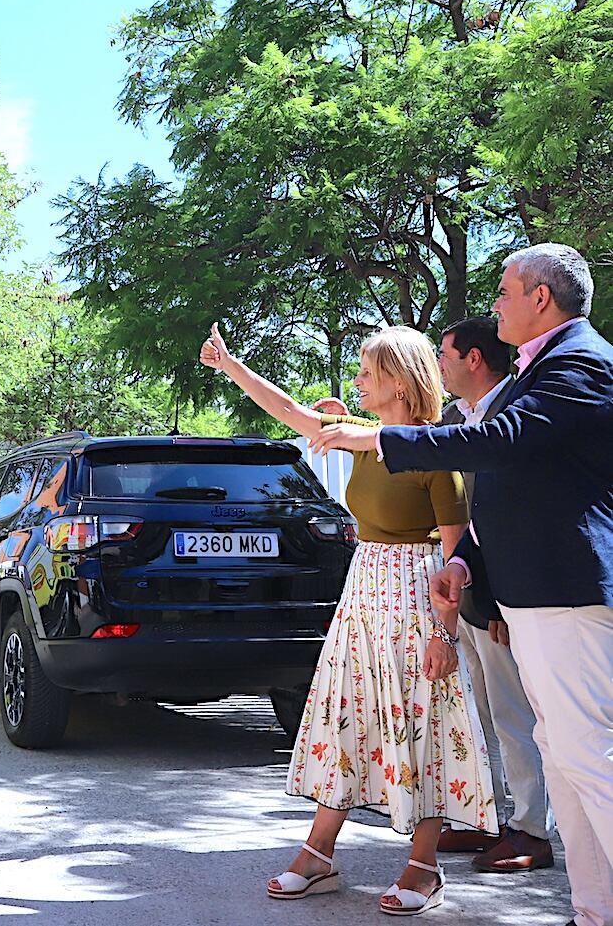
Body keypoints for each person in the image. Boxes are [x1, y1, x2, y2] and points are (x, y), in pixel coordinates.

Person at [316, 244, 613, 926]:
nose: (496, 303)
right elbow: (516, 489)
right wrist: (467, 562)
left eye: (505, 291)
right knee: (565, 759)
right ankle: (595, 910)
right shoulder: (544, 367)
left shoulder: (580, 363)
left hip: (566, 594)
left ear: (542, 298)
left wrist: (376, 440)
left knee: (590, 756)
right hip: (537, 593)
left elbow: (499, 443)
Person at [202, 321, 494, 915]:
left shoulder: (437, 453)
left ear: (399, 382)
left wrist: (444, 634)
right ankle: (318, 855)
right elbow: (291, 413)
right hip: (363, 596)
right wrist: (230, 366)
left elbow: (455, 555)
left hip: (416, 600)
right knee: (345, 719)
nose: (357, 382)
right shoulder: (364, 439)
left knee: (424, 727)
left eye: (368, 372)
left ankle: (424, 866)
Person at [433, 317, 554, 873]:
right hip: (466, 591)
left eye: (445, 355)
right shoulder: (459, 417)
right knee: (479, 714)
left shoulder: (516, 412)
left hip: (504, 599)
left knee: (512, 715)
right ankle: (487, 821)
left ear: (474, 359)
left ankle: (532, 830)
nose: (440, 366)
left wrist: (504, 601)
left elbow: (518, 518)